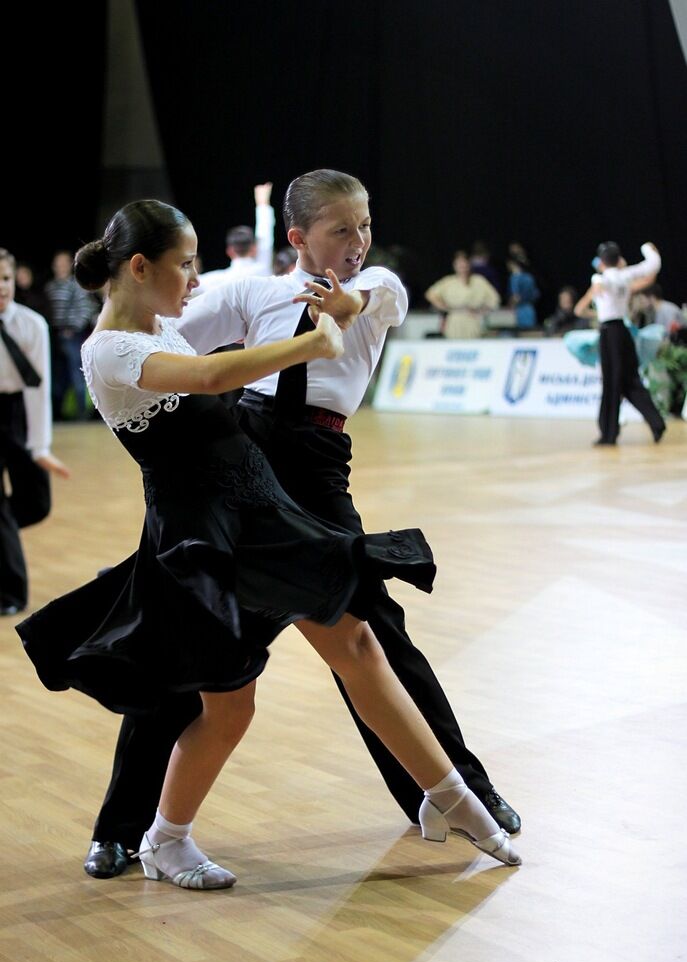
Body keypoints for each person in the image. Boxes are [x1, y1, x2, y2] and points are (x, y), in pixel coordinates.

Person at [16, 199, 521, 891]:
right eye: (340, 228)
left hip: (290, 486)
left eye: (363, 227)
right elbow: (204, 371)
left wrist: (341, 309)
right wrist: (310, 340)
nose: (356, 240)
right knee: (200, 689)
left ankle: (454, 794)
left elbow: (374, 294)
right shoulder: (186, 317)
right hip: (214, 512)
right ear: (297, 236)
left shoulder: (376, 282)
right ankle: (130, 831)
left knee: (364, 638)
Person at [0, 248, 70, 616]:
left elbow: (38, 389)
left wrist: (40, 445)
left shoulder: (32, 325)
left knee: (36, 505)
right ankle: (11, 594)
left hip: (19, 412)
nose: (1, 287)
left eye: (6, 278)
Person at [574, 241, 665, 446]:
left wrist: (598, 283)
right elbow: (652, 267)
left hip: (610, 333)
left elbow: (597, 285)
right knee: (629, 380)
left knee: (612, 382)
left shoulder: (602, 277)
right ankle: (655, 423)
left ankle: (609, 432)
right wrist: (648, 249)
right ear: (618, 259)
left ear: (602, 261)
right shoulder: (625, 276)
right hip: (622, 333)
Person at [44, 250, 100, 419]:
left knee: (77, 374)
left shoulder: (76, 285)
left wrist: (72, 327)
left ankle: (82, 412)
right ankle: (58, 412)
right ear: (54, 266)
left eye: (63, 263)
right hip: (54, 336)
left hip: (73, 336)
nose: (60, 267)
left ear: (70, 265)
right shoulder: (50, 287)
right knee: (58, 375)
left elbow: (86, 309)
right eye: (57, 264)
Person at [196, 182, 275, 293]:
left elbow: (190, 284)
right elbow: (265, 234)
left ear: (229, 251)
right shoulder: (262, 268)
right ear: (254, 248)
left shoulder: (216, 280)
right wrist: (262, 203)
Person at [425, 250, 500, 339]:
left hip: (473, 319)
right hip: (454, 320)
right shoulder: (449, 281)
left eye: (464, 263)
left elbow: (495, 299)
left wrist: (481, 311)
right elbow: (430, 294)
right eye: (459, 263)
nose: (462, 266)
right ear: (454, 265)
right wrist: (445, 307)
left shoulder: (478, 281)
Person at [506, 256, 540, 329]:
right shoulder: (529, 277)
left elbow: (515, 297)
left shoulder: (515, 278)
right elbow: (536, 294)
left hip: (520, 311)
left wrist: (511, 305)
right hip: (529, 310)